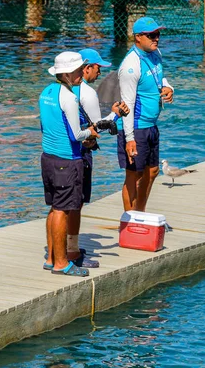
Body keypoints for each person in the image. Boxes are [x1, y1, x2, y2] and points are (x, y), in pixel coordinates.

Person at [67, 48, 130, 268]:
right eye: (97, 68)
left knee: (61, 205)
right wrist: (115, 114)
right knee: (76, 204)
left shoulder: (60, 90)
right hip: (80, 153)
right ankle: (72, 251)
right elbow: (97, 128)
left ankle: (63, 248)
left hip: (61, 151)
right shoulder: (87, 93)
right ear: (86, 68)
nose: (100, 73)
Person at [39, 52, 98, 276]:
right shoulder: (70, 97)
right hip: (67, 160)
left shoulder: (46, 92)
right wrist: (91, 132)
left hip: (48, 158)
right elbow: (76, 135)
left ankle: (51, 257)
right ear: (65, 74)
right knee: (63, 211)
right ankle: (62, 263)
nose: (80, 73)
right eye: (76, 70)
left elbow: (45, 127)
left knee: (55, 208)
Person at [118, 17, 174, 213]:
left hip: (151, 124)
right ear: (138, 37)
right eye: (151, 35)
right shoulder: (130, 66)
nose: (156, 39)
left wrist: (168, 87)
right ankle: (130, 219)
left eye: (157, 34)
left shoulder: (155, 53)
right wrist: (129, 138)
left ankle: (140, 213)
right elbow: (127, 104)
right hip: (136, 126)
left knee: (152, 171)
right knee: (134, 175)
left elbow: (159, 77)